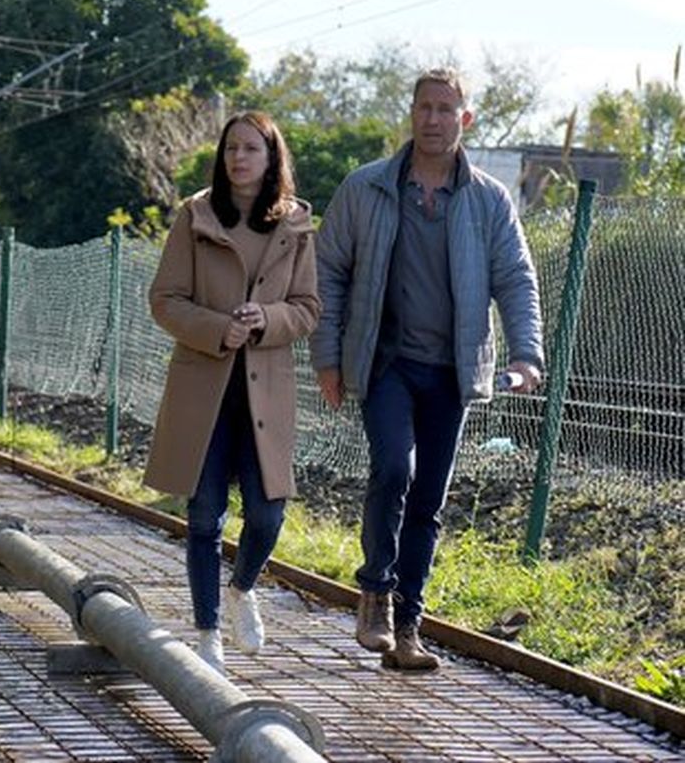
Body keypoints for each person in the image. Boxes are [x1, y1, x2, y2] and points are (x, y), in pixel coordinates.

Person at [312, 68, 544, 672]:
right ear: (410, 113)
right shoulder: (366, 188)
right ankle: (374, 591)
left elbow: (515, 278)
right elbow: (328, 271)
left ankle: (409, 625)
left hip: (452, 372)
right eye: (425, 107)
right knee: (394, 468)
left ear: (465, 120)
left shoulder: (489, 200)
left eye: (447, 109)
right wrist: (328, 358)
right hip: (385, 362)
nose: (434, 119)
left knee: (429, 500)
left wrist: (525, 355)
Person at [143, 111, 321, 674]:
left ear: (272, 159)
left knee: (268, 515)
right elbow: (165, 299)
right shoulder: (194, 218)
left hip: (266, 391)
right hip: (204, 387)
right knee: (204, 516)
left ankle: (243, 588)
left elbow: (309, 308)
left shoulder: (294, 225)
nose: (238, 158)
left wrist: (265, 318)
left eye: (250, 149)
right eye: (230, 149)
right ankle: (208, 633)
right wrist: (221, 328)